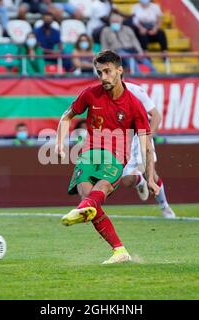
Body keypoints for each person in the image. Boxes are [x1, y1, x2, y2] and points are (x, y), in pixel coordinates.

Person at [55, 50, 159, 264]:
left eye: (107, 72)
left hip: (116, 156)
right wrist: (59, 143)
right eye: (99, 72)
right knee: (88, 198)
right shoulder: (90, 94)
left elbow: (146, 145)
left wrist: (149, 178)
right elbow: (67, 116)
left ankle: (82, 211)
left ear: (120, 71)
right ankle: (119, 251)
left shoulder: (134, 105)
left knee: (98, 192)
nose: (103, 77)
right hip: (88, 153)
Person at [120, 82, 175, 218]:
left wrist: (148, 137)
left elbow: (156, 116)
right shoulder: (103, 93)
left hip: (141, 134)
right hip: (122, 138)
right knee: (126, 181)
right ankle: (139, 181)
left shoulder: (136, 91)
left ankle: (165, 207)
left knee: (150, 174)